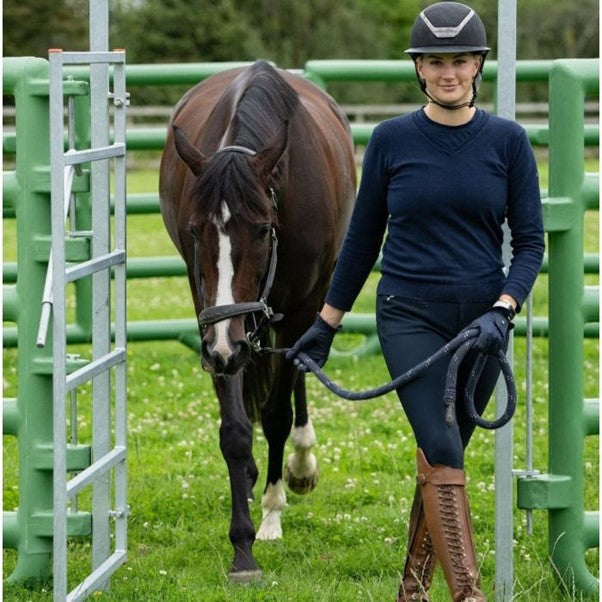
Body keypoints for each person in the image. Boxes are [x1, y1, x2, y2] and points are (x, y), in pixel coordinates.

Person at [286, 2, 545, 600]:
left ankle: (411, 590)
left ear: (478, 65)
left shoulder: (507, 143)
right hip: (409, 313)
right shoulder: (391, 140)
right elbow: (360, 241)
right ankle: (468, 594)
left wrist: (502, 310)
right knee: (445, 443)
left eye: (459, 60)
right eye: (435, 62)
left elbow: (529, 243)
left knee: (439, 459)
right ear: (419, 70)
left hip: (482, 321)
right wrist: (326, 322)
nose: (448, 72)